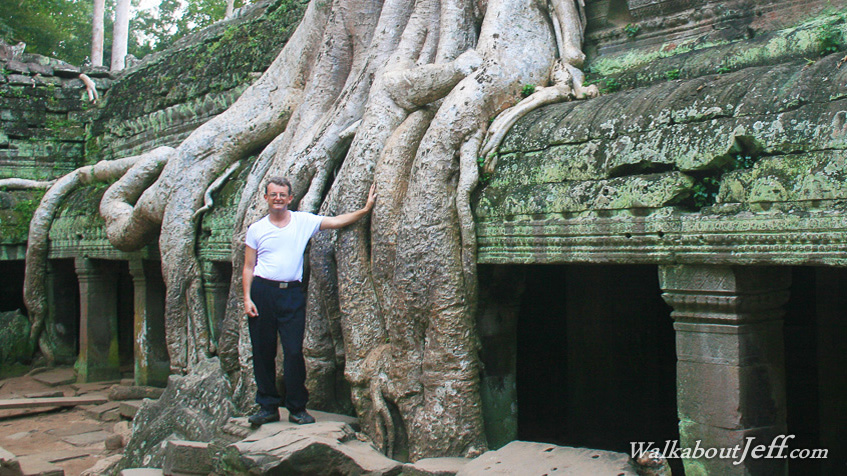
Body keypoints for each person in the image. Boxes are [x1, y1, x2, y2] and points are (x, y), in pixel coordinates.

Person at [243, 176, 376, 427]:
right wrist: (247, 298)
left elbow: (336, 221)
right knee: (262, 351)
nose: (278, 199)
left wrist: (366, 209)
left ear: (290, 198)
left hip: (291, 293)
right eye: (273, 195)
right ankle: (267, 406)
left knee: (293, 352)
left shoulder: (302, 221)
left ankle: (297, 408)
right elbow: (249, 267)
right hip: (263, 292)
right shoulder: (257, 229)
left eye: (283, 195)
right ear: (266, 198)